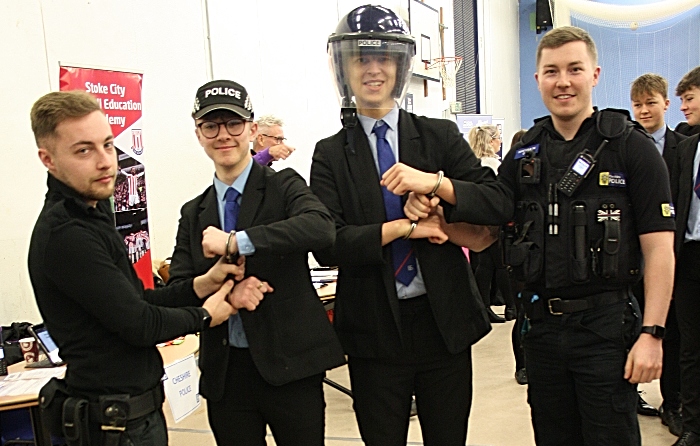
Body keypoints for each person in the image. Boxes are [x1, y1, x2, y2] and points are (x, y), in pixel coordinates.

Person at [310, 6, 511, 445]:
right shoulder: (329, 154)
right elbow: (328, 244)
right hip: (373, 329)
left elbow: (496, 201)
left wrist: (437, 184)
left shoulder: (438, 135)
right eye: (361, 58)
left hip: (443, 325)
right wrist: (406, 228)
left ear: (401, 66)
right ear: (344, 67)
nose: (374, 69)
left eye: (384, 58)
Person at [27, 90, 240, 445]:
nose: (105, 162)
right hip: (114, 425)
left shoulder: (92, 213)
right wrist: (205, 316)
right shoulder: (66, 234)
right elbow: (140, 324)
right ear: (48, 159)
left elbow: (138, 300)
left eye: (108, 145)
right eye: (84, 150)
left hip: (133, 416)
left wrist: (201, 285)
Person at [496, 26, 675, 445]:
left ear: (594, 74)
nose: (563, 81)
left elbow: (660, 249)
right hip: (541, 332)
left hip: (606, 329)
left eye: (574, 69)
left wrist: (652, 334)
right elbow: (486, 226)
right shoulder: (525, 155)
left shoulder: (631, 148)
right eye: (551, 71)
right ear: (537, 78)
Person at [167, 79, 345, 446]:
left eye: (233, 124)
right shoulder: (194, 212)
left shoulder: (284, 187)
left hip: (291, 366)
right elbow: (178, 290)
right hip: (226, 374)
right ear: (198, 133)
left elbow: (321, 228)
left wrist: (237, 241)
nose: (223, 135)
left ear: (251, 130)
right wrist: (227, 293)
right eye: (211, 126)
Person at [629, 72, 686, 433]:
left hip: (670, 253)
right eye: (638, 104)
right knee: (630, 325)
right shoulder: (623, 146)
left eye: (651, 102)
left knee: (673, 332)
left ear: (666, 103)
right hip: (629, 257)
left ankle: (673, 401)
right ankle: (629, 392)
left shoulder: (685, 147)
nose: (645, 110)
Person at [670, 66, 700, 446]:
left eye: (689, 98)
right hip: (690, 256)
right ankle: (694, 424)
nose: (683, 107)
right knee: (691, 347)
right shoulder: (687, 147)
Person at [467, 125, 515, 323]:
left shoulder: (473, 164)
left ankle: (483, 307)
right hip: (493, 219)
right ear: (491, 141)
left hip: (476, 218)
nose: (501, 142)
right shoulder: (492, 165)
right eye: (498, 138)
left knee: (484, 264)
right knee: (500, 263)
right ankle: (510, 306)